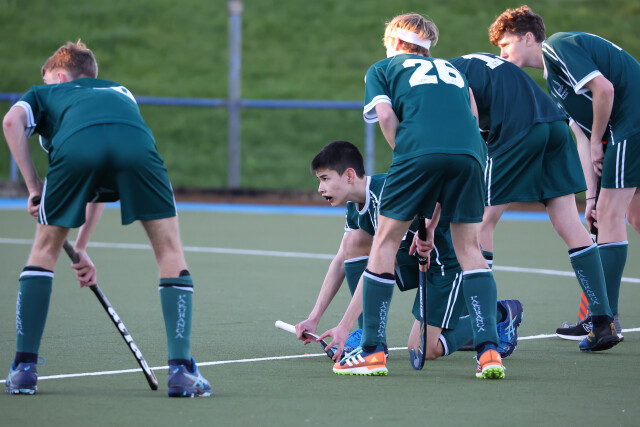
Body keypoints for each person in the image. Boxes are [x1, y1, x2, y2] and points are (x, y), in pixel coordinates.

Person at [2, 41, 211, 397]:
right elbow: (100, 178)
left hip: (75, 150)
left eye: (48, 79)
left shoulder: (43, 93)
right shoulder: (121, 92)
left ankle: (23, 370)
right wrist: (81, 247)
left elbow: (11, 122)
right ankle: (181, 372)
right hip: (137, 147)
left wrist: (34, 186)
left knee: (44, 252)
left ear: (60, 76)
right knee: (170, 252)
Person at [330, 13, 505, 379]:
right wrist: (430, 224)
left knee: (384, 243)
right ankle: (489, 351)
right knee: (470, 249)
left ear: (395, 42)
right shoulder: (454, 71)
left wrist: (409, 160)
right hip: (471, 155)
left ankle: (372, 351)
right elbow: (472, 123)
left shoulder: (382, 69)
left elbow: (386, 119)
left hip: (417, 152)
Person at [488, 5, 639, 349]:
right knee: (631, 215)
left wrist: (600, 142)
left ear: (528, 38)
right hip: (623, 130)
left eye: (506, 44)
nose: (502, 54)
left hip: (631, 124)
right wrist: (591, 198)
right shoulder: (553, 81)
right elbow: (582, 140)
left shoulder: (558, 45)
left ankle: (604, 318)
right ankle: (602, 316)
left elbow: (605, 90)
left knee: (612, 216)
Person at [448, 52, 621, 350]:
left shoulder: (443, 75)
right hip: (555, 127)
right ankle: (603, 322)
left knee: (480, 221)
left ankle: (480, 324)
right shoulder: (472, 62)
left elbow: (471, 116)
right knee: (569, 223)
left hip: (519, 129)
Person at [299, 141, 522, 370]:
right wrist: (314, 318)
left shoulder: (388, 195)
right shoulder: (353, 207)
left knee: (422, 348)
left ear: (349, 175)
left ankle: (499, 314)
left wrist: (343, 326)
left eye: (325, 179)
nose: (320, 188)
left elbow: (377, 266)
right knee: (353, 242)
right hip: (415, 258)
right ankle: (370, 338)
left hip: (447, 265)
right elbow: (340, 261)